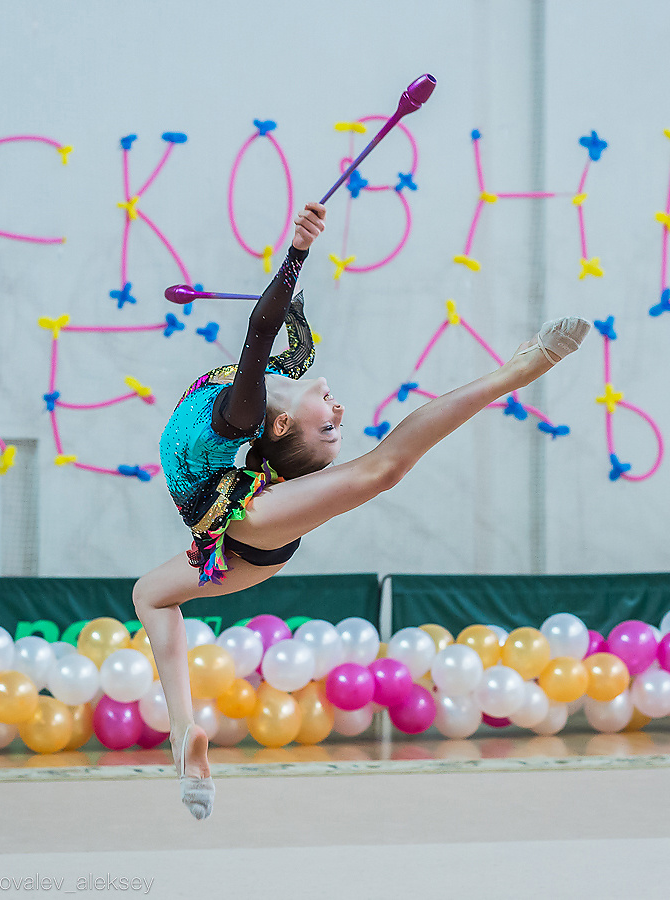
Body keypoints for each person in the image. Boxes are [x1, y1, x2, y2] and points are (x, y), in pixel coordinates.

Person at [133, 200, 591, 819]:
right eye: (333, 425)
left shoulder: (244, 413)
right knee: (149, 594)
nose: (340, 412)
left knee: (382, 470)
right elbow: (276, 329)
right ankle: (184, 736)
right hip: (239, 536)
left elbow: (263, 326)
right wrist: (294, 281)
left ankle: (520, 369)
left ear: (281, 425)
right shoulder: (274, 384)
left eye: (328, 427)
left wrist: (298, 252)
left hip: (248, 522)